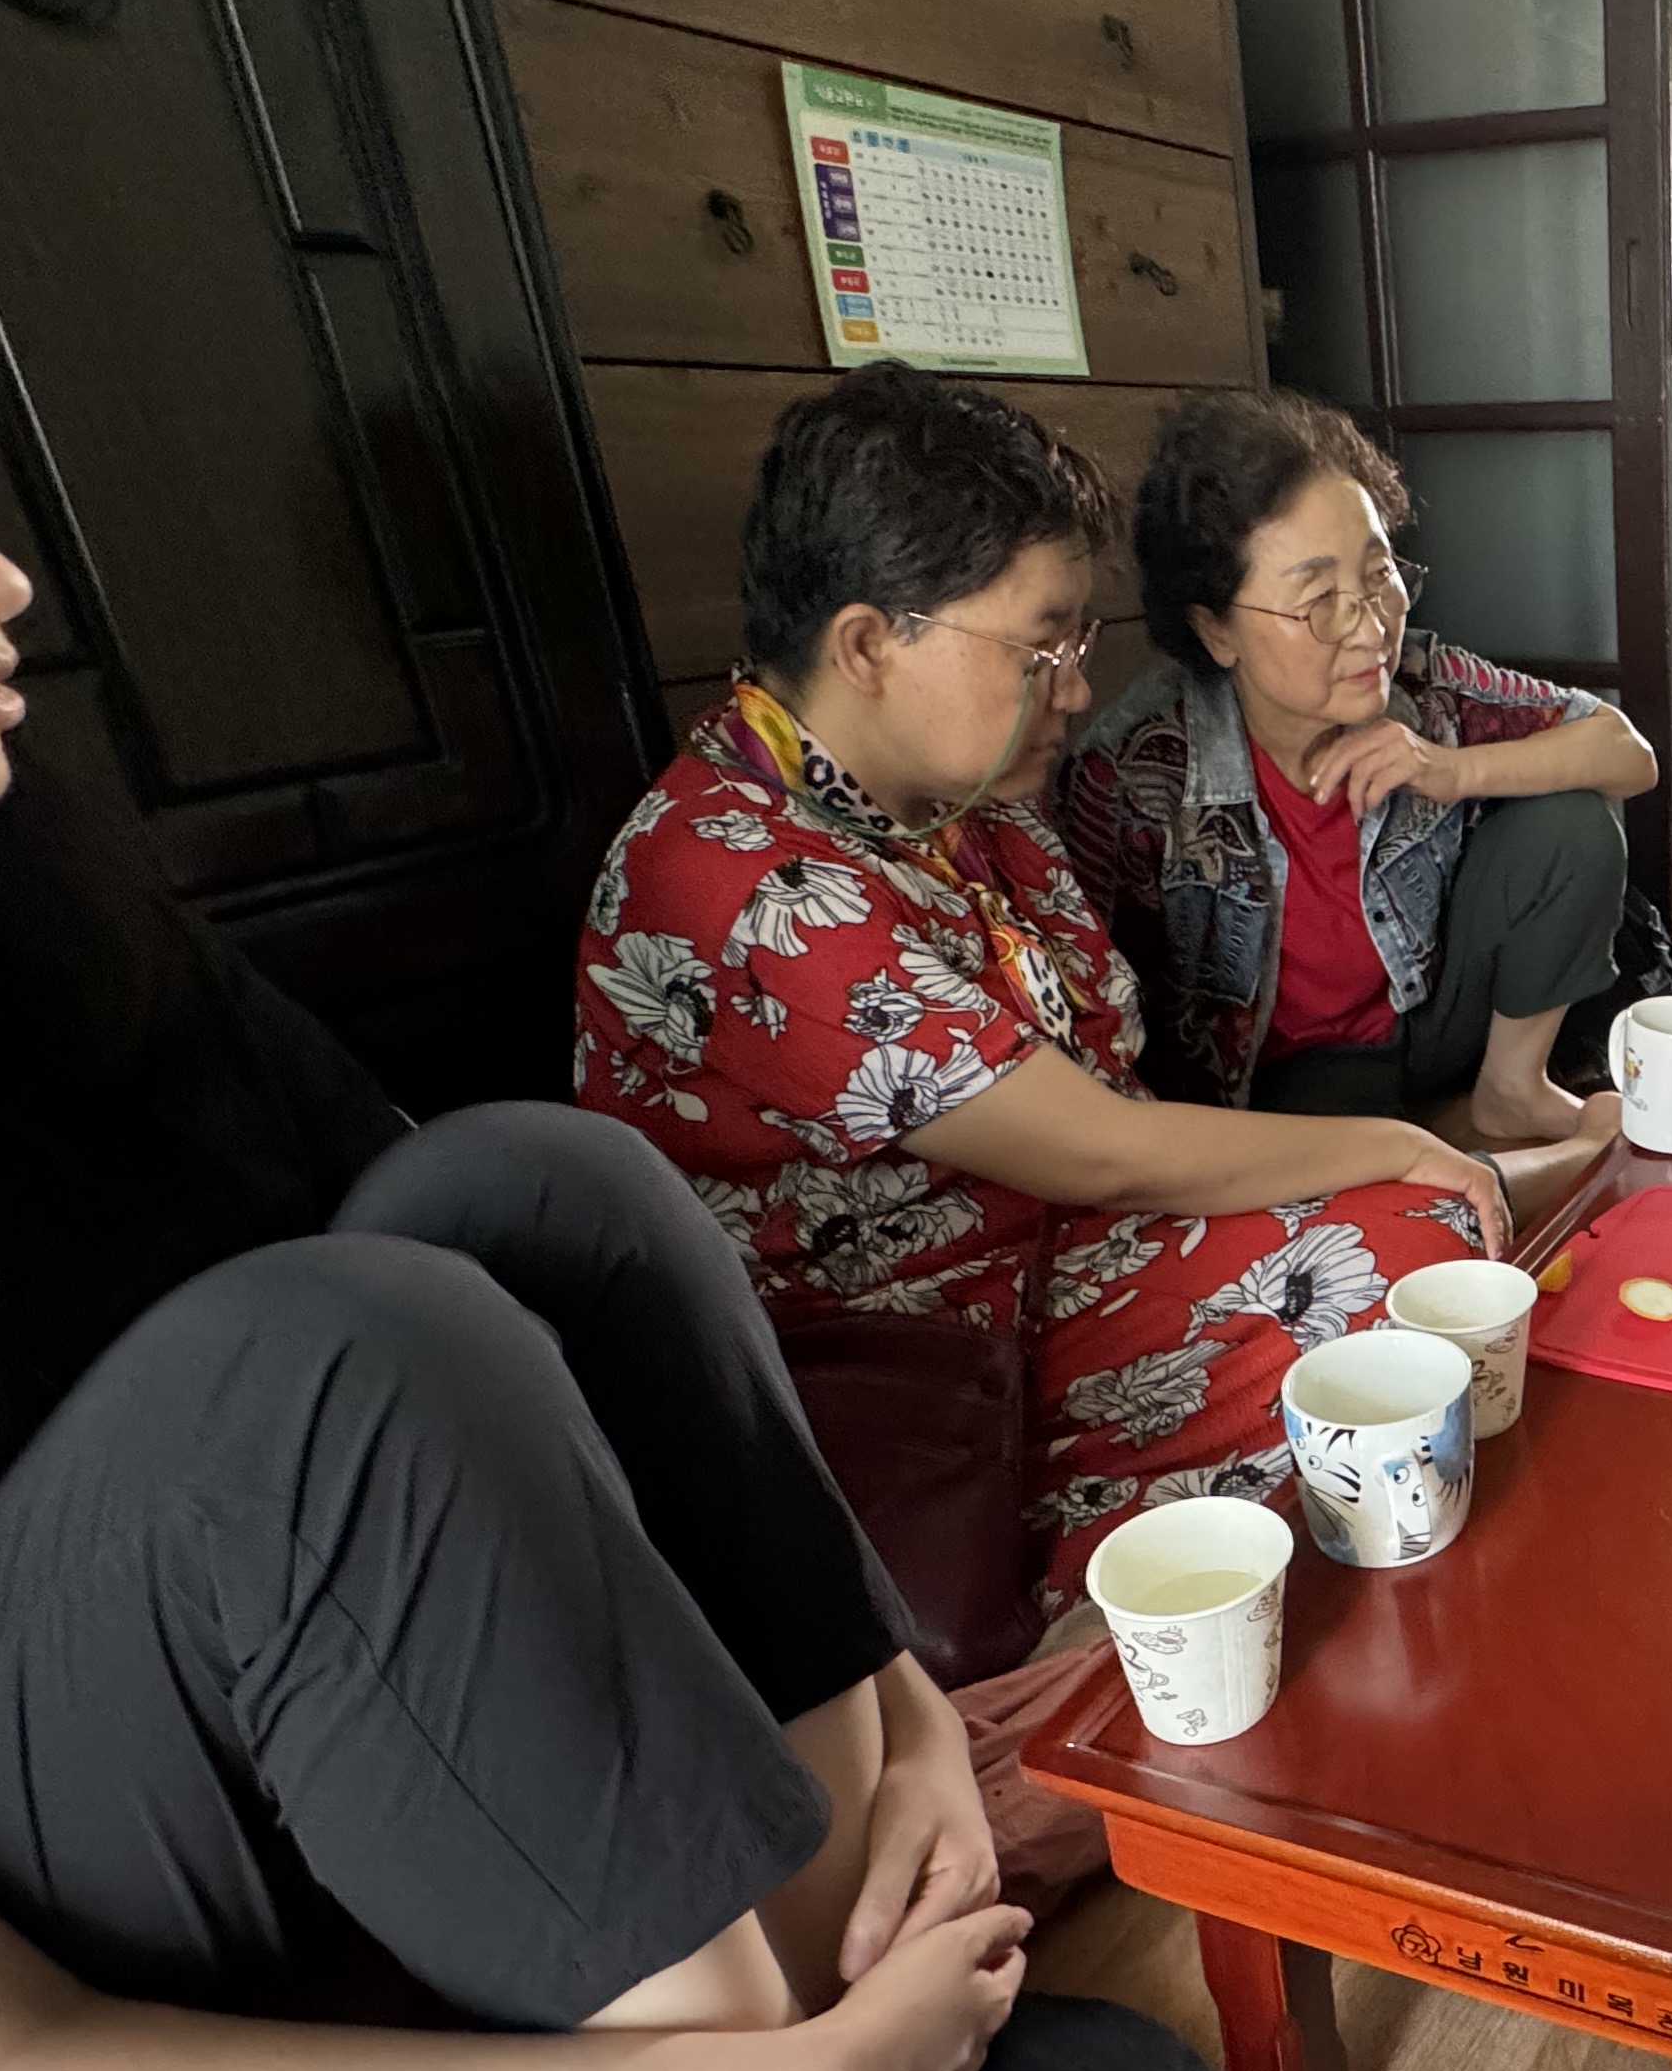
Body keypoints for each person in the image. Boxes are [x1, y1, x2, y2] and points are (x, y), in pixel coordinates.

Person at [0, 172, 1222, 2071]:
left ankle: (837, 1969)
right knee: (313, 1381)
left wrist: (902, 1718)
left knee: (538, 1188)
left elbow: (477, 1264)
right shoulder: (750, 857)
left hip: (168, 1831)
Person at [573, 365, 1508, 1598]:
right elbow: (1103, 1149)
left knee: (1425, 1264)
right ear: (868, 645)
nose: (1073, 685)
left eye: (1077, 643)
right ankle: (1089, 1620)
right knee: (1399, 1274)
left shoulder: (965, 806)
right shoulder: (743, 884)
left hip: (1049, 1258)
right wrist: (1397, 1144)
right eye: (1041, 645)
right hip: (912, 1371)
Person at [1061, 388, 1654, 1138]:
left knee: (1571, 821)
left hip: (1431, 1018)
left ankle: (1510, 1090)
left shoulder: (1421, 687)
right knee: (1378, 1168)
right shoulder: (1137, 775)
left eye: (1378, 575)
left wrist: (1451, 769)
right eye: (1320, 601)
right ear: (1215, 631)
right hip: (1288, 1087)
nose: (1371, 629)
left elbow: (1626, 752)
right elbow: (1097, 1005)